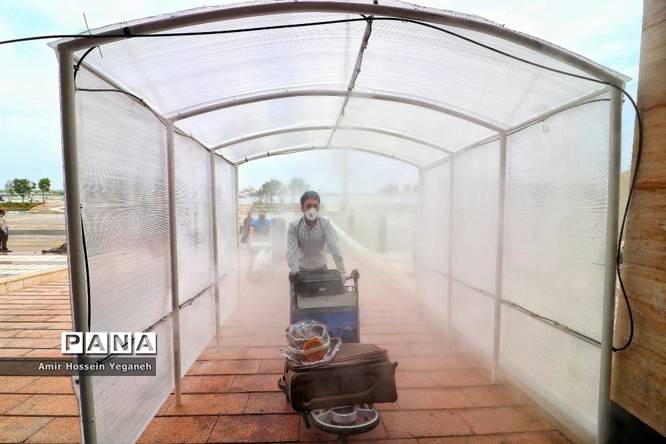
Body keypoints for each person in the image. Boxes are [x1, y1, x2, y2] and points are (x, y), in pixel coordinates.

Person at [287, 191, 345, 279]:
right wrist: (296, 274)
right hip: (301, 270)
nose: (312, 209)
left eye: (315, 206)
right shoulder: (294, 227)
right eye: (308, 206)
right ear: (302, 208)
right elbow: (291, 252)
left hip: (322, 269)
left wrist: (341, 271)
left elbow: (334, 247)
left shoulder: (326, 225)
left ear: (319, 208)